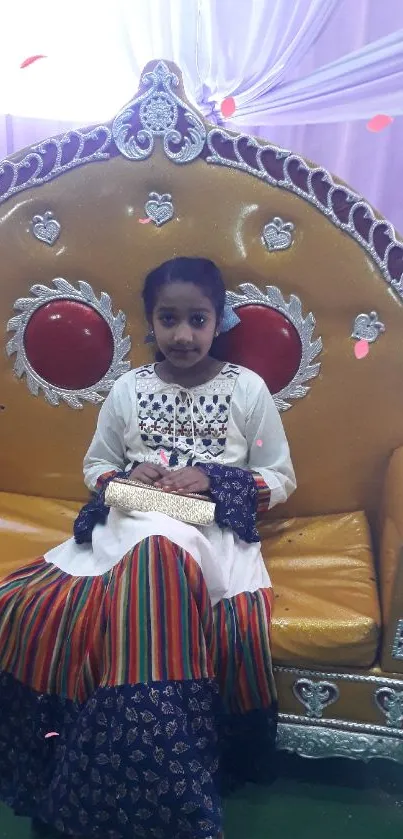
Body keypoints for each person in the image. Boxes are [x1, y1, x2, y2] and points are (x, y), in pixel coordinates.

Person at [0, 257, 296, 839]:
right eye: (169, 319)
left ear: (218, 321)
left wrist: (213, 477)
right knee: (30, 602)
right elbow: (96, 467)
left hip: (204, 525)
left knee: (163, 551)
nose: (183, 335)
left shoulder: (247, 390)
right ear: (150, 322)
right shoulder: (129, 390)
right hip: (132, 519)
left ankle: (149, 771)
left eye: (197, 319)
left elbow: (279, 477)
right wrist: (130, 477)